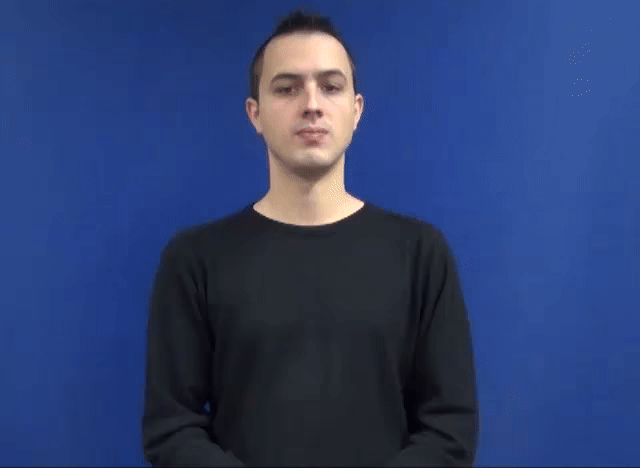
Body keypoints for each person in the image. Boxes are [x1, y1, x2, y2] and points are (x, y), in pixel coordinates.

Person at [142, 9, 478, 467]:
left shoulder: (420, 254)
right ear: (255, 114)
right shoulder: (195, 259)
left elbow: (449, 429)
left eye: (331, 86)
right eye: (287, 88)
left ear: (356, 110)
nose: (312, 104)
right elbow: (171, 428)